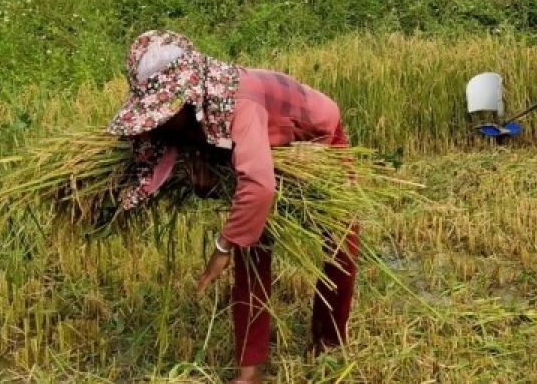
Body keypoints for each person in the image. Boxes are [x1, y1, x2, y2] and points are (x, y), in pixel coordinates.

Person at [106, 30, 359, 384]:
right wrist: (205, 179)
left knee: (341, 244)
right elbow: (219, 165)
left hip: (315, 138)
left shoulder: (239, 105)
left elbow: (259, 184)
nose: (159, 123)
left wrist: (222, 247)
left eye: (163, 113)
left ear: (188, 97)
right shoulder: (191, 112)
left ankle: (329, 343)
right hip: (262, 144)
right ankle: (250, 369)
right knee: (253, 252)